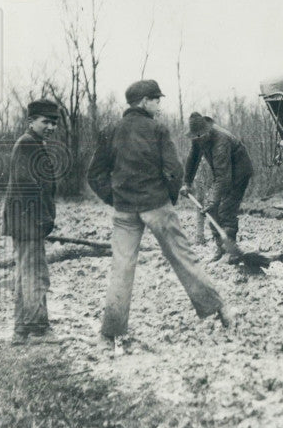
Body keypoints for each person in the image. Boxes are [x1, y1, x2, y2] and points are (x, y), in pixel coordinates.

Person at [87, 80, 234, 343]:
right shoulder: (158, 129)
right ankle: (220, 310)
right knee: (183, 257)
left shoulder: (110, 130)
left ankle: (110, 334)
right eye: (156, 100)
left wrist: (114, 197)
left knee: (121, 267)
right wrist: (167, 196)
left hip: (124, 211)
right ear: (144, 101)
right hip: (157, 206)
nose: (159, 105)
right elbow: (175, 170)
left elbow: (95, 174)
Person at [2, 99, 60, 344]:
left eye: (54, 123)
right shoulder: (27, 144)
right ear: (31, 121)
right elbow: (28, 188)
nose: (50, 127)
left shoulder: (33, 143)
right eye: (45, 121)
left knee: (25, 274)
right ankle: (38, 329)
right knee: (36, 275)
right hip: (29, 222)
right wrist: (43, 220)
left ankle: (21, 331)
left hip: (26, 221)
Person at [180, 112, 254, 262]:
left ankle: (231, 252)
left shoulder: (221, 140)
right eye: (196, 138)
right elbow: (192, 158)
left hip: (239, 172)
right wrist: (187, 183)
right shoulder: (198, 138)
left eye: (200, 137)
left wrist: (212, 200)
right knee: (211, 210)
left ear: (207, 132)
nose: (198, 140)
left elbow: (223, 177)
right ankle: (221, 248)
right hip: (223, 173)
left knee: (225, 209)